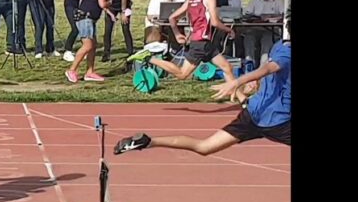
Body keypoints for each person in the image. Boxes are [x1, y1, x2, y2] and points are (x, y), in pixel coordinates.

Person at [114, 16, 290, 156]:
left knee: (204, 147)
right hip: (278, 120)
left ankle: (148, 141)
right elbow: (269, 68)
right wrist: (237, 82)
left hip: (253, 113)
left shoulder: (279, 46)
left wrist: (249, 85)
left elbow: (271, 72)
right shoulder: (287, 54)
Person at [128, 0, 238, 93]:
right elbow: (214, 22)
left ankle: (239, 97)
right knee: (182, 74)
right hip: (201, 43)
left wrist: (177, 34)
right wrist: (229, 30)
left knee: (227, 67)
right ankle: (149, 58)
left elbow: (172, 18)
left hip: (203, 43)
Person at [65, 0, 109, 83]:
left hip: (85, 16)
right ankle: (72, 70)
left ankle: (90, 72)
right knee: (88, 45)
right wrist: (110, 2)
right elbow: (102, 3)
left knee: (93, 45)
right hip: (86, 18)